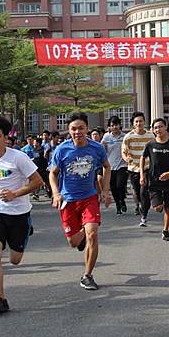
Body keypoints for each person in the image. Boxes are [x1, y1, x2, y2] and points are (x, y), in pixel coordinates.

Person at [0, 115, 43, 314]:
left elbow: (38, 182)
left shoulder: (18, 157)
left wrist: (15, 193)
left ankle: (27, 230)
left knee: (15, 260)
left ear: (5, 138)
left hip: (20, 212)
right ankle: (0, 299)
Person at [50, 112, 111, 291]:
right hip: (68, 200)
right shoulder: (62, 149)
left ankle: (88, 275)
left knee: (93, 233)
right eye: (73, 129)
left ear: (87, 129)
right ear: (69, 131)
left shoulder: (96, 148)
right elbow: (53, 173)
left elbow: (107, 167)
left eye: (81, 128)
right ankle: (82, 233)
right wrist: (55, 193)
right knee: (74, 242)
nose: (77, 132)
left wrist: (106, 191)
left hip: (89, 197)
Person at [140, 118, 169, 241]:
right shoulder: (150, 144)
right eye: (155, 127)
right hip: (154, 181)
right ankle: (160, 203)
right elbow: (143, 158)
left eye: (160, 127)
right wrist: (142, 175)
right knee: (158, 207)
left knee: (168, 209)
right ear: (153, 130)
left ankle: (165, 231)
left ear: (165, 128)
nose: (158, 129)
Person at [121, 112, 154, 224]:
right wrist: (127, 159)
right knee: (137, 191)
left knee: (144, 190)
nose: (139, 123)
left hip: (147, 167)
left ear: (144, 122)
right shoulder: (128, 137)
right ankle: (141, 204)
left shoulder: (150, 136)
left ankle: (144, 214)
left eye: (141, 121)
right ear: (133, 124)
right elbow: (124, 152)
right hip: (133, 168)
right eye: (136, 121)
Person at [102, 116, 128, 215]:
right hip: (110, 166)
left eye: (116, 124)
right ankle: (118, 204)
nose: (115, 127)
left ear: (120, 125)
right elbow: (103, 150)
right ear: (109, 127)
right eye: (112, 125)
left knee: (120, 185)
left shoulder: (124, 136)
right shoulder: (106, 137)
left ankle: (122, 200)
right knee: (113, 187)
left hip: (122, 165)